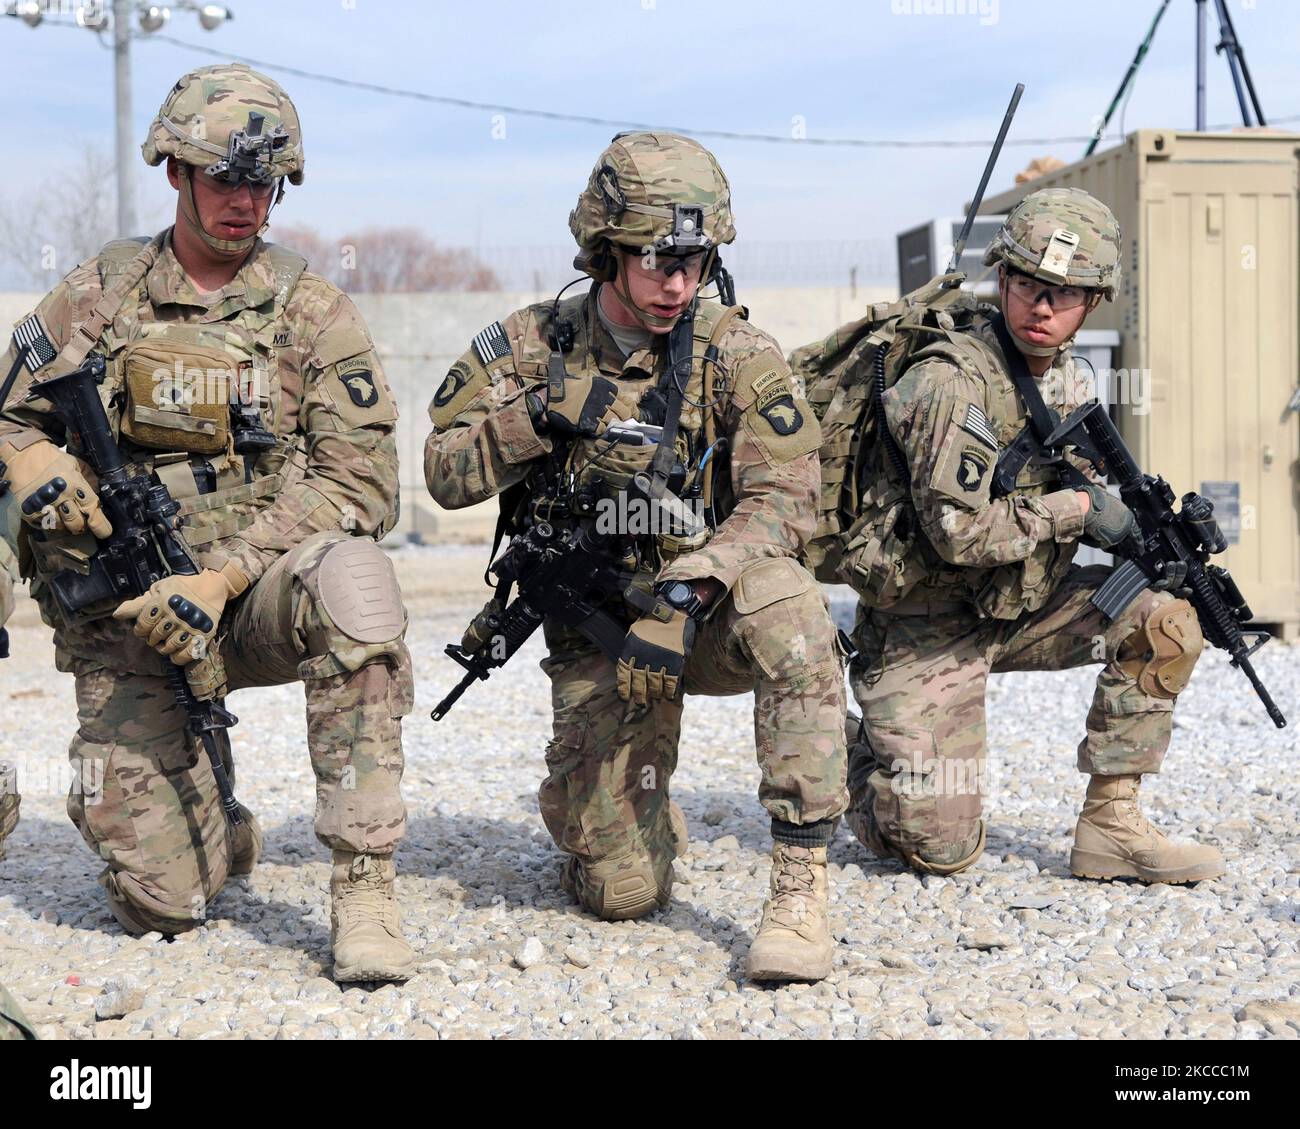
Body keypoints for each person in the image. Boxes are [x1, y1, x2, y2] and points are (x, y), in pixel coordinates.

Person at [0, 64, 416, 980]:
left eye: (263, 184)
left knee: (355, 580)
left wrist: (221, 575)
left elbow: (365, 479)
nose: (245, 203)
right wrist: (38, 464)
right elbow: (9, 414)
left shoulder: (311, 308)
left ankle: (364, 881)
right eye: (225, 179)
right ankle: (214, 824)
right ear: (176, 174)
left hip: (250, 594)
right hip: (132, 611)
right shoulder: (99, 292)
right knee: (160, 906)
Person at [424, 131, 848, 981]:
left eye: (696, 261)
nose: (677, 284)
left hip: (705, 611)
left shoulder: (733, 350)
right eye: (657, 260)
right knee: (622, 890)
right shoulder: (532, 342)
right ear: (605, 249)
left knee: (795, 612)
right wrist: (535, 417)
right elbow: (442, 474)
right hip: (601, 630)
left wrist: (693, 588)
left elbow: (793, 497)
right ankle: (614, 818)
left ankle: (800, 886)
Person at [844, 187, 1224, 885]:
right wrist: (1078, 510)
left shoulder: (1072, 380)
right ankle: (852, 752)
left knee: (1166, 621)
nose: (1043, 306)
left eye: (1066, 292)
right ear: (1003, 278)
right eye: (1029, 284)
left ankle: (1112, 825)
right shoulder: (949, 382)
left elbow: (1068, 491)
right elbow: (957, 533)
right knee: (937, 847)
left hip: (1021, 609)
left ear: (1094, 300)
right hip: (923, 627)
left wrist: (1140, 535)